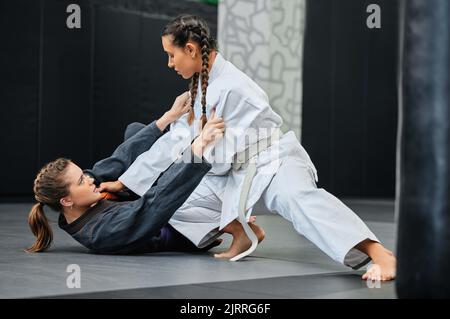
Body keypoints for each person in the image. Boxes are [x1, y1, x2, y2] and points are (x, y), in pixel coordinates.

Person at [112, 14, 396, 281]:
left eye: (171, 55)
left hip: (272, 161)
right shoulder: (199, 86)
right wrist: (127, 183)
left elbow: (211, 154)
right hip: (233, 171)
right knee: (171, 198)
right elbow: (174, 143)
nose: (170, 64)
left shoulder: (232, 88)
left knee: (295, 198)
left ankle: (379, 254)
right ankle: (241, 232)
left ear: (190, 49)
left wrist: (196, 150)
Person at [25, 92, 231, 254]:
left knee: (134, 130)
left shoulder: (82, 198)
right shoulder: (102, 232)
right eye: (81, 181)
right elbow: (155, 204)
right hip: (172, 221)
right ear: (67, 201)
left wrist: (169, 117)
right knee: (179, 171)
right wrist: (199, 146)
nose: (88, 179)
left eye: (84, 175)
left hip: (140, 200)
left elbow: (116, 161)